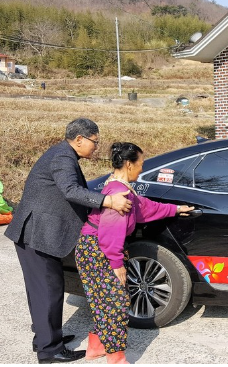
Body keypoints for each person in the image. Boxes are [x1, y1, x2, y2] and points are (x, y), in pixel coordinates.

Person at [4, 118, 132, 364]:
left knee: (43, 290)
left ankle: (46, 338)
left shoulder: (64, 154)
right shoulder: (63, 157)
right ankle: (49, 350)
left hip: (39, 232)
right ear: (80, 139)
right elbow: (70, 190)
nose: (96, 147)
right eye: (94, 142)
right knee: (48, 291)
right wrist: (108, 201)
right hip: (36, 234)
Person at [75, 142, 193, 364]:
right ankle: (116, 358)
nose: (142, 169)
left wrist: (176, 209)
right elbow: (111, 232)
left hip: (93, 248)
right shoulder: (119, 194)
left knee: (103, 301)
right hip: (99, 250)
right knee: (116, 303)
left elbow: (144, 207)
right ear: (129, 164)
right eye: (140, 164)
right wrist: (117, 264)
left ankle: (96, 347)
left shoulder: (118, 186)